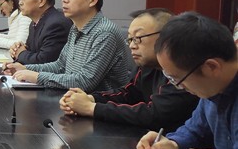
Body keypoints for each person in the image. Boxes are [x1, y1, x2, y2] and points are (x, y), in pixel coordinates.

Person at [136, 12, 238, 149]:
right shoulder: (212, 88)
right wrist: (173, 143)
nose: (178, 86)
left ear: (211, 67)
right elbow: (195, 128)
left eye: (177, 79)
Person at [59, 8, 198, 130]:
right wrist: (90, 99)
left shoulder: (182, 70)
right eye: (130, 39)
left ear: (165, 37)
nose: (132, 46)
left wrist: (92, 108)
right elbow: (129, 93)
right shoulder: (147, 66)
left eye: (138, 38)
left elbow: (155, 114)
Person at [4, 0, 132, 93]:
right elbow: (60, 66)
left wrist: (37, 77)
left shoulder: (104, 33)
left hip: (99, 104)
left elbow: (85, 81)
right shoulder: (75, 29)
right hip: (72, 99)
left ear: (92, 0)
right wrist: (25, 68)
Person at [9, 0, 71, 64]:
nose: (20, 3)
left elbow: (44, 61)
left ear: (41, 1)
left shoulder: (56, 24)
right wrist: (16, 50)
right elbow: (30, 52)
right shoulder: (34, 22)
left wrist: (20, 54)